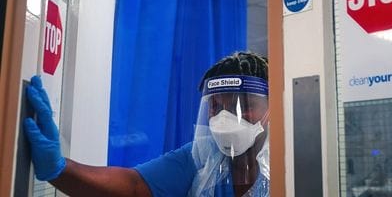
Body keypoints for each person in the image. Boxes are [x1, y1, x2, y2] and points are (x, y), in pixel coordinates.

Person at [24, 51, 270, 197]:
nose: (224, 120)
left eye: (240, 105)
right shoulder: (203, 157)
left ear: (272, 108)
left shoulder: (292, 165)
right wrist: (60, 169)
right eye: (215, 107)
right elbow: (132, 187)